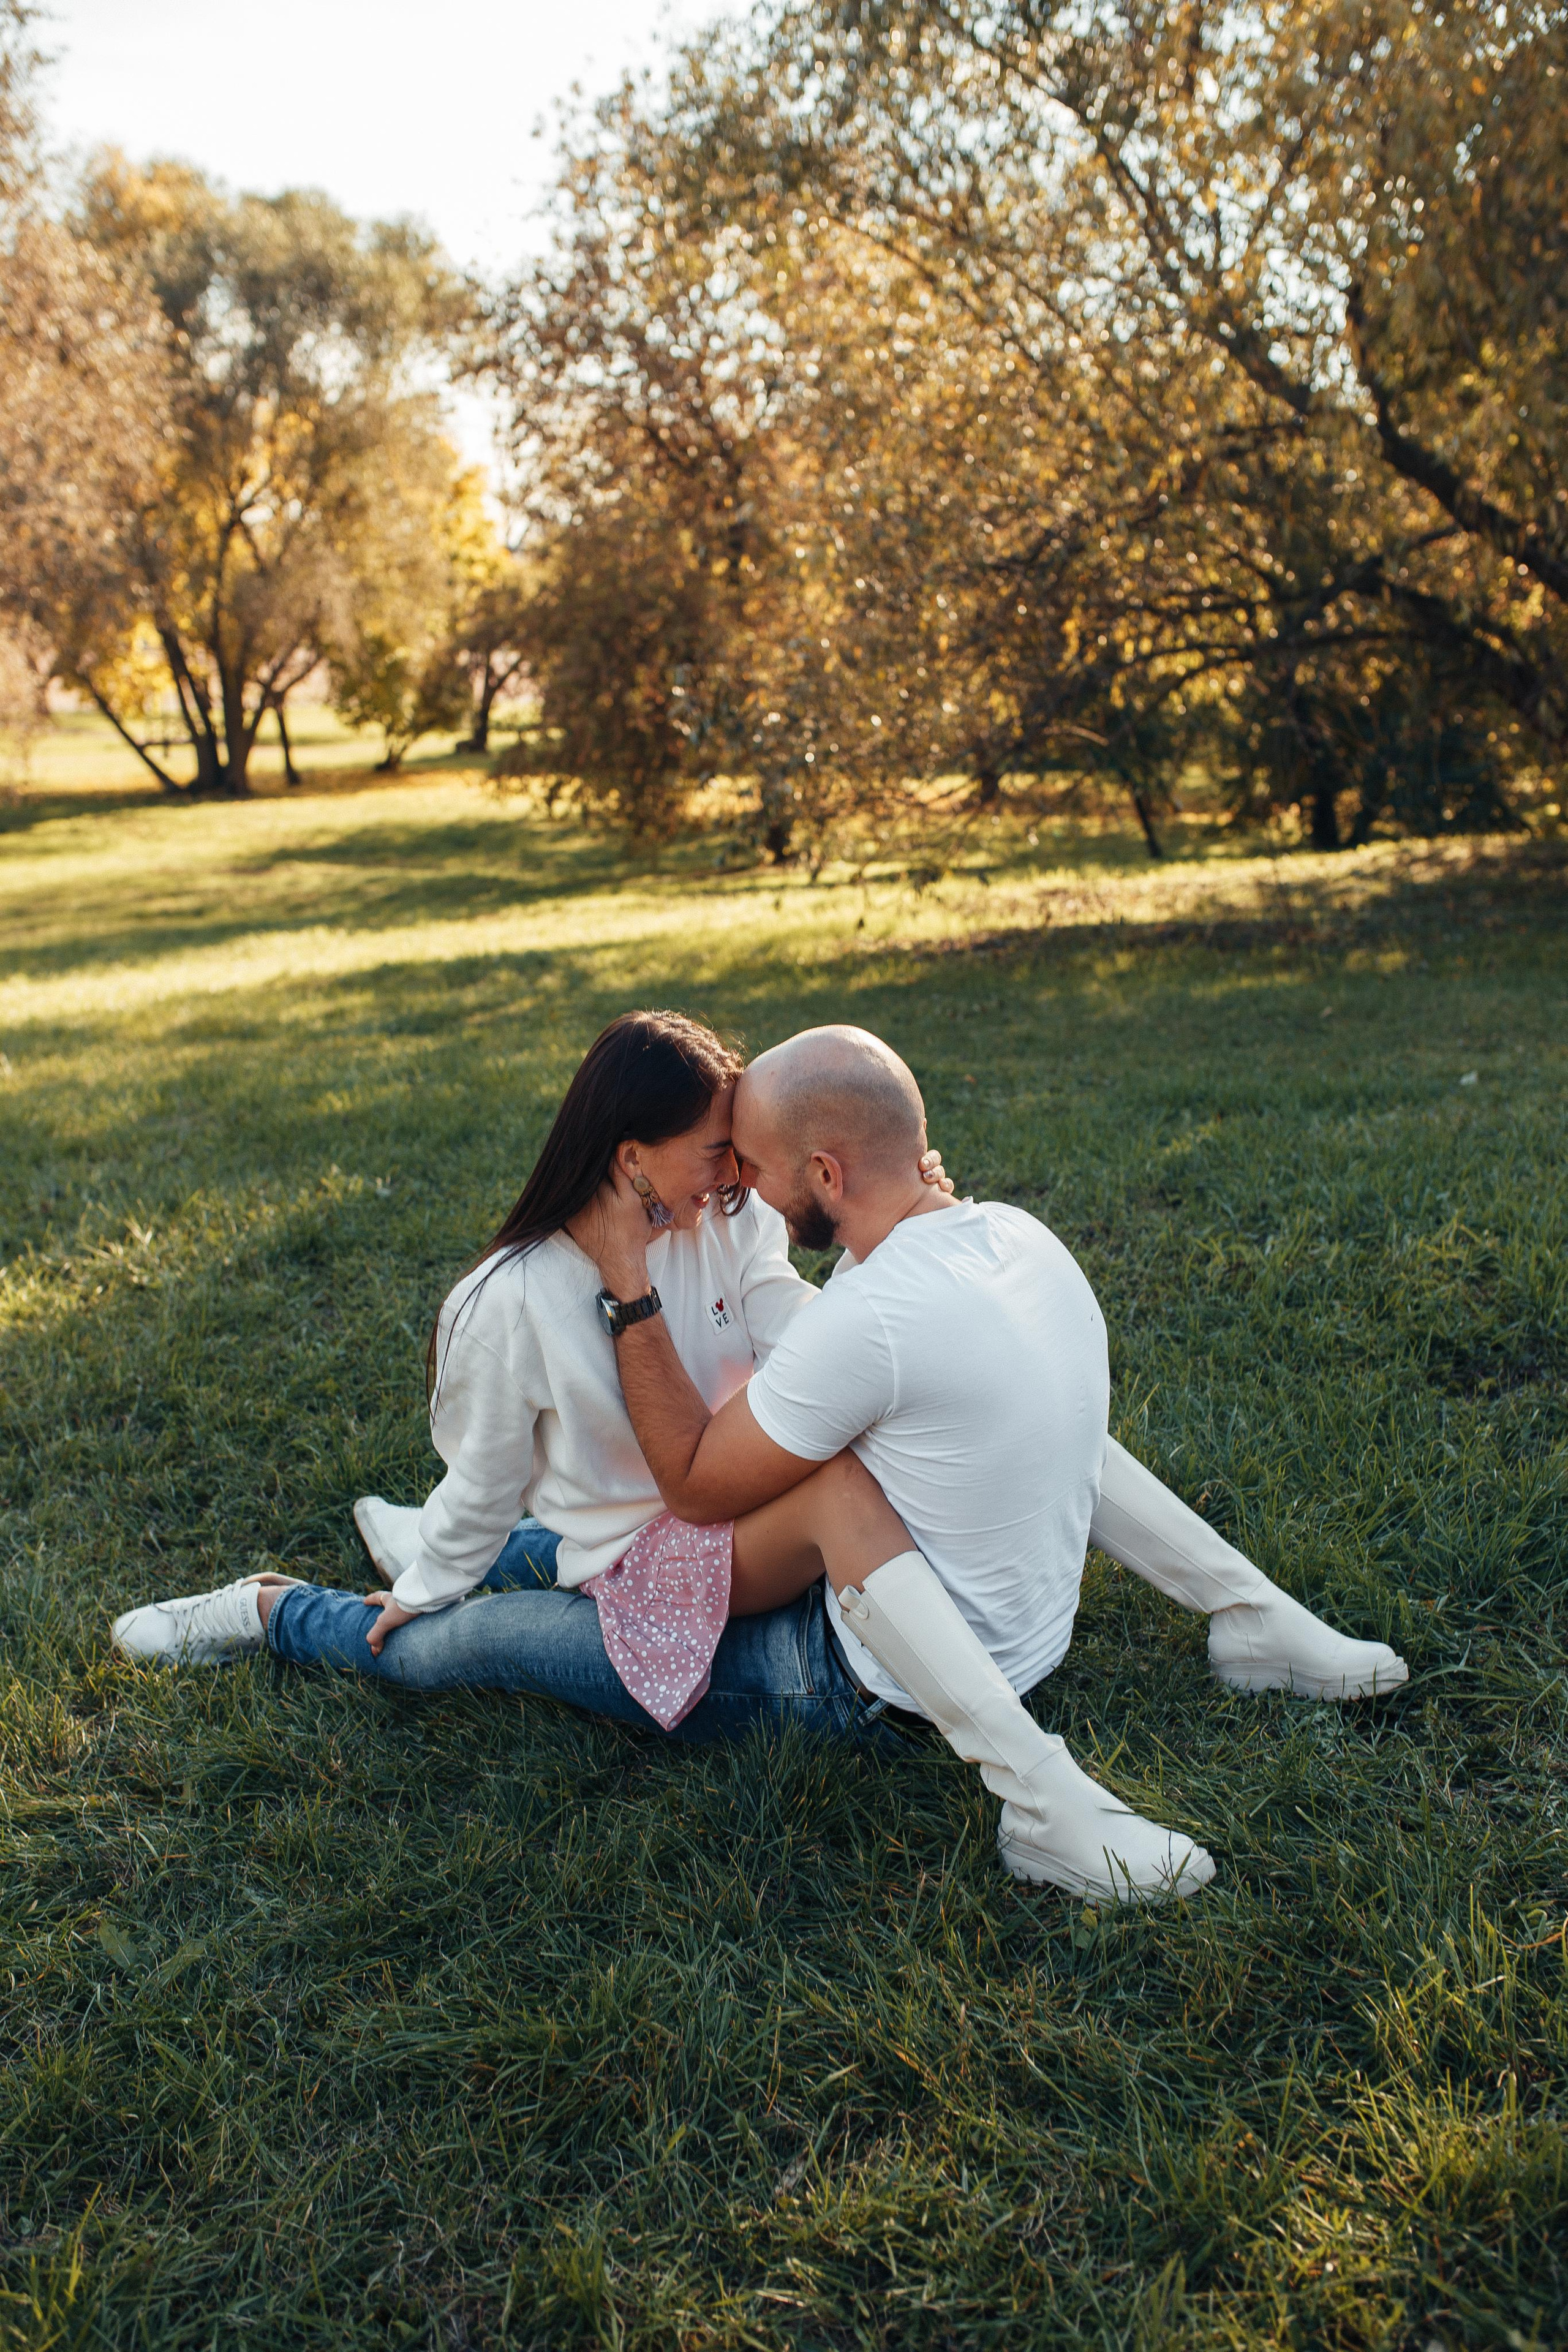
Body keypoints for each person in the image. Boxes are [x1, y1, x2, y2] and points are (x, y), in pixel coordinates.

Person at [577, 1025, 1407, 1904]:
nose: (740, 1183)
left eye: (753, 1163)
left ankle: (1041, 1804)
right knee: (990, 1404)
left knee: (532, 1630)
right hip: (1027, 1644)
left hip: (881, 1685)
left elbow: (698, 1486)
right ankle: (1249, 1613)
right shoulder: (1015, 1236)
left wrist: (629, 1288)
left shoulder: (867, 1322)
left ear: (826, 1174)